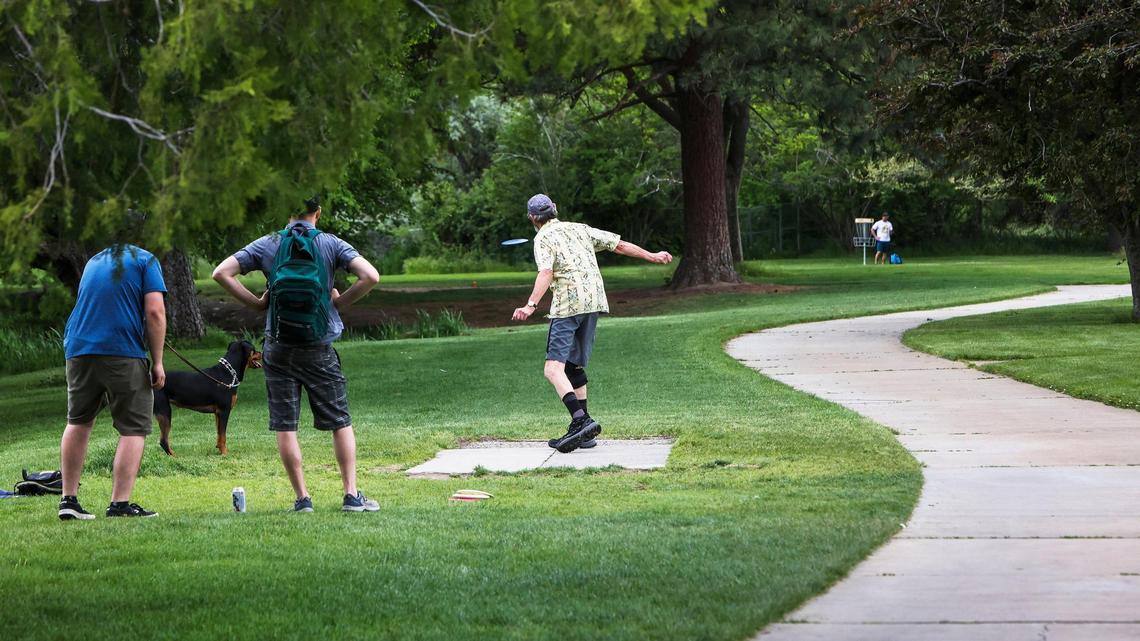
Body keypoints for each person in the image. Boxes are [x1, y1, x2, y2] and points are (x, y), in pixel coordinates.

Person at [212, 197, 381, 513]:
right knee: (339, 421)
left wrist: (256, 304)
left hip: (278, 346)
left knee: (286, 425)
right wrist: (337, 303)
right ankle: (351, 495)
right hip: (318, 346)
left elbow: (221, 272)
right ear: (318, 212)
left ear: (286, 212)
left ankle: (303, 500)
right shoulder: (331, 243)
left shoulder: (269, 242)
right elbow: (370, 276)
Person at [510, 194, 673, 453]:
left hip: (568, 305)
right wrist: (653, 256)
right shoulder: (579, 228)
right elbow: (618, 245)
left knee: (553, 369)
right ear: (555, 209)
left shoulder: (542, 238)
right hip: (594, 301)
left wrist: (530, 305)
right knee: (573, 366)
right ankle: (584, 435)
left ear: (532, 218)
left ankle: (581, 419)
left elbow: (546, 272)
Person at [59, 232, 167, 520]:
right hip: (121, 350)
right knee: (134, 427)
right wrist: (157, 362)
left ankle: (68, 499)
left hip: (78, 348)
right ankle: (119, 504)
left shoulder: (94, 261)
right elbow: (155, 312)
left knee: (78, 421)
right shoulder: (146, 260)